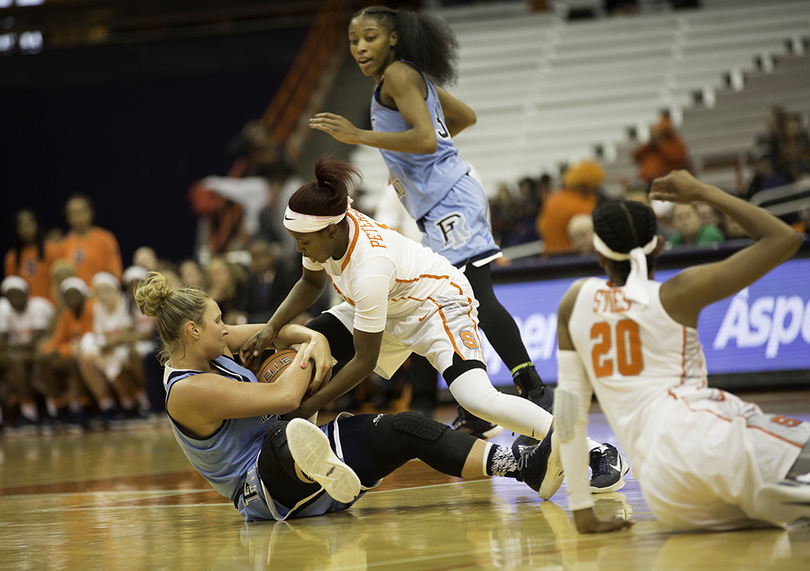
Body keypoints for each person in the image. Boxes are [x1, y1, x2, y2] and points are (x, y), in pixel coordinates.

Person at [241, 158, 627, 492]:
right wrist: (271, 329)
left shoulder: (369, 267)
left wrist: (308, 404)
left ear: (330, 231)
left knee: (478, 398)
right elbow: (310, 283)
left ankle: (596, 451)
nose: (298, 249)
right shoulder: (325, 229)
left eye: (302, 242)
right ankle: (299, 452)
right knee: (307, 351)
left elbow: (362, 361)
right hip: (393, 305)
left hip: (438, 307)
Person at [134, 271, 561, 522]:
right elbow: (284, 397)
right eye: (217, 322)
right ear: (193, 331)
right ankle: (320, 465)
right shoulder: (188, 392)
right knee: (288, 434)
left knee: (405, 427)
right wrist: (311, 349)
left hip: (305, 459)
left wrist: (313, 340)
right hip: (266, 491)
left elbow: (275, 330)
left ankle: (525, 467)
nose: (225, 328)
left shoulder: (217, 346)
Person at [308, 6, 553, 437]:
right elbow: (462, 118)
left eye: (370, 37)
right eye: (353, 40)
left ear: (394, 39)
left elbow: (425, 138)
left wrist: (360, 136)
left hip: (450, 200)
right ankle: (479, 408)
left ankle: (533, 390)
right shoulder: (406, 76)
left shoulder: (399, 76)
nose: (361, 47)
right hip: (444, 201)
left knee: (473, 295)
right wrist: (400, 161)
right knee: (452, 299)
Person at [554, 170, 810, 533]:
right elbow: (784, 238)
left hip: (666, 497)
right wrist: (704, 191)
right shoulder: (678, 292)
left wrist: (582, 511)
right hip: (700, 435)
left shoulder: (574, 301)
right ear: (658, 245)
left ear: (598, 254)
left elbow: (568, 412)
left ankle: (782, 495)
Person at [37, 276, 96, 432]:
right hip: (71, 351)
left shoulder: (91, 308)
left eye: (74, 295)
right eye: (67, 296)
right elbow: (57, 340)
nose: (71, 299)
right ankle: (58, 408)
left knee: (76, 360)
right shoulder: (67, 313)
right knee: (45, 360)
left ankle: (83, 408)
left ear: (83, 295)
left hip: (89, 353)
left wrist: (63, 350)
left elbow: (89, 339)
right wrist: (43, 352)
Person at [0, 276, 54, 432]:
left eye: (18, 294)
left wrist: (11, 347)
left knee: (20, 361)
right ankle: (12, 416)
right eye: (10, 296)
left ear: (27, 294)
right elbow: (1, 341)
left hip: (42, 353)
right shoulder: (4, 310)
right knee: (14, 361)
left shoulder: (38, 307)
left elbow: (35, 342)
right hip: (20, 356)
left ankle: (37, 413)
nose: (15, 299)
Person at [537, 161, 607, 255]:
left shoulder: (552, 199)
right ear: (588, 186)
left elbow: (541, 227)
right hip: (571, 259)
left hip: (548, 258)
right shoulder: (583, 207)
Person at [57, 194, 123, 284]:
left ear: (91, 212)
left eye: (80, 211)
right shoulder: (64, 243)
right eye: (72, 213)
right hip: (74, 295)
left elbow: (115, 273)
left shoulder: (105, 238)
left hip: (100, 294)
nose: (77, 216)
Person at [4, 209, 61, 303]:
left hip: (50, 304)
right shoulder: (12, 257)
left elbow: (58, 281)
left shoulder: (52, 250)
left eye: (29, 224)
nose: (26, 229)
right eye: (21, 226)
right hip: (25, 309)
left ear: (36, 225)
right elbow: (11, 287)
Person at [631, 113, 688, 187]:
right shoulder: (650, 145)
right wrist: (651, 143)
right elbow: (636, 156)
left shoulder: (675, 142)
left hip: (668, 181)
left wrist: (661, 143)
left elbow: (677, 158)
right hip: (648, 182)